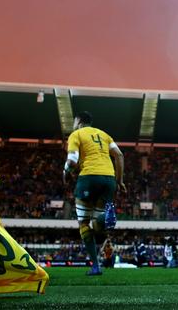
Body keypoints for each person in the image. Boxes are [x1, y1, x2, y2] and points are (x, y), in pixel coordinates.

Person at [63, 111, 126, 276]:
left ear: (79, 121)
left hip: (89, 178)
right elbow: (119, 155)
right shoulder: (104, 135)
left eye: (74, 121)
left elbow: (72, 160)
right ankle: (103, 217)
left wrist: (65, 171)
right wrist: (119, 181)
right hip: (109, 180)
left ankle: (96, 266)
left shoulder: (76, 134)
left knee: (84, 224)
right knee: (97, 224)